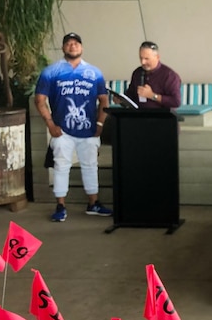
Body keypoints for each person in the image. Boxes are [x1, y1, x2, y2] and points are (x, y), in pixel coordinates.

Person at [35, 32, 111, 222]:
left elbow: (104, 100)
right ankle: (60, 205)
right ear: (63, 48)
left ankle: (93, 203)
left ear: (82, 47)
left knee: (91, 166)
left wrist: (100, 123)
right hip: (62, 130)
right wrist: (50, 124)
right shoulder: (51, 71)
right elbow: (40, 100)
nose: (72, 46)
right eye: (68, 43)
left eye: (76, 43)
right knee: (61, 166)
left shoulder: (94, 72)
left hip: (90, 130)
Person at [122, 41, 182, 110]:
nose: (143, 62)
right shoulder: (137, 73)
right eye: (141, 58)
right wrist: (122, 99)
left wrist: (152, 96)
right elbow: (131, 95)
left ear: (157, 57)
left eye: (146, 59)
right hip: (138, 116)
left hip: (161, 117)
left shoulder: (169, 76)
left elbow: (176, 102)